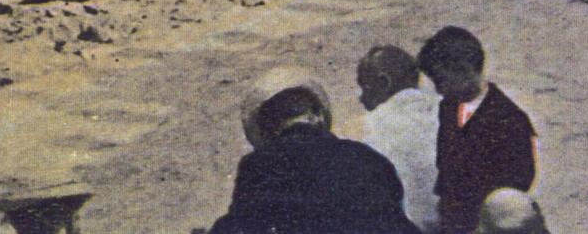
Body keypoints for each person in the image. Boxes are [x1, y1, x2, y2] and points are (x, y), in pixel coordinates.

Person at [209, 67, 419, 234]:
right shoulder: (368, 157)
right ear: (318, 115)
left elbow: (242, 223)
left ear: (269, 128)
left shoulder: (259, 164)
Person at [419, 27, 535, 234]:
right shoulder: (448, 108)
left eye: (441, 80)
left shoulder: (511, 120)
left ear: (464, 70)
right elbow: (445, 162)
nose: (438, 90)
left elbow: (518, 183)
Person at [351, 44, 441, 234]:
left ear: (384, 83)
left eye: (365, 87)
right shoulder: (452, 113)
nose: (361, 98)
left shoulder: (366, 127)